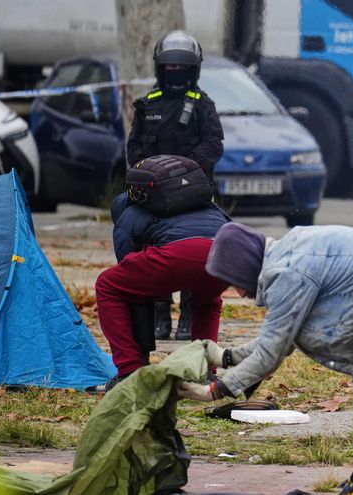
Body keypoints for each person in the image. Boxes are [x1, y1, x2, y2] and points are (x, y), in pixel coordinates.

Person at [178, 222, 353, 495]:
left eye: (234, 281)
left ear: (245, 265)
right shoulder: (288, 255)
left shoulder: (288, 273)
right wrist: (226, 357)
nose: (239, 292)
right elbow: (283, 335)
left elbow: (273, 350)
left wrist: (215, 391)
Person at [126, 30, 225, 341]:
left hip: (194, 195)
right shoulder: (146, 104)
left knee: (192, 254)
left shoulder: (203, 105)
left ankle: (188, 317)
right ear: (160, 68)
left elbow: (213, 145)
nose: (176, 74)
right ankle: (159, 316)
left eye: (181, 68)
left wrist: (187, 171)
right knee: (153, 254)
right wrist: (153, 175)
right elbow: (134, 151)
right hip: (155, 197)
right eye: (170, 68)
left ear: (193, 69)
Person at [95, 191, 231, 386]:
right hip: (222, 253)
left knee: (108, 285)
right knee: (208, 300)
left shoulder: (130, 210)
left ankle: (129, 372)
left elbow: (124, 258)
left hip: (177, 254)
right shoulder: (204, 202)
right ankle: (205, 371)